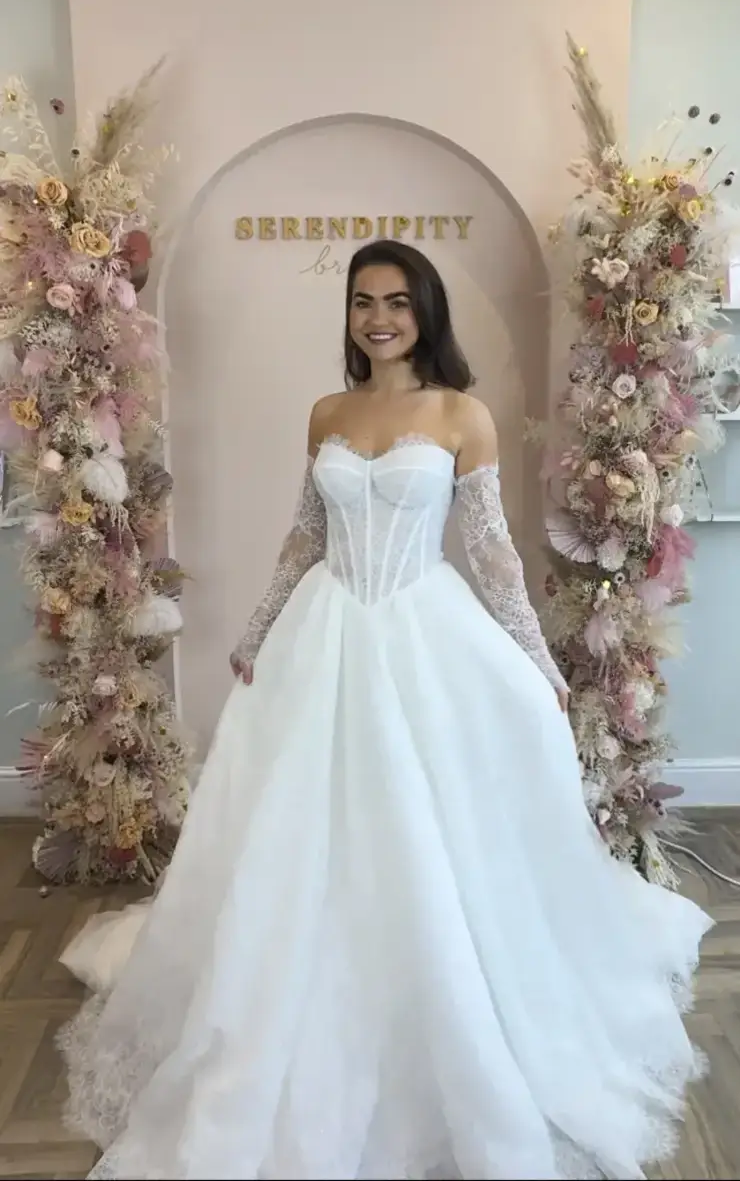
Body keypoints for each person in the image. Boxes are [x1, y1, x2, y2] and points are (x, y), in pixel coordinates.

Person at [60, 239, 711, 1181]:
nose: (378, 318)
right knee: (301, 831)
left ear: (425, 312)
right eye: (365, 301)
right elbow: (303, 532)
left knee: (425, 826)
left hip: (421, 628)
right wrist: (255, 628)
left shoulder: (460, 414)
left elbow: (489, 552)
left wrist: (537, 659)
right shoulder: (327, 409)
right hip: (324, 632)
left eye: (398, 302)